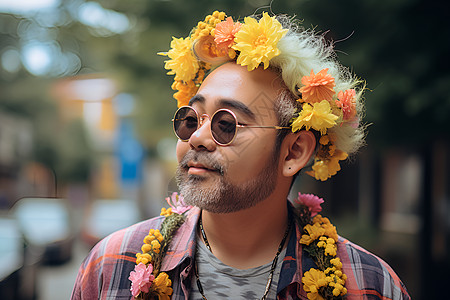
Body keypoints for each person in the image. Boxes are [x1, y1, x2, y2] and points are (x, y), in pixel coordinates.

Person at [72, 11, 410, 300]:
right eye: (191, 119)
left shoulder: (369, 285)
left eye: (226, 124)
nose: (198, 137)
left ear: (293, 151)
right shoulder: (112, 266)